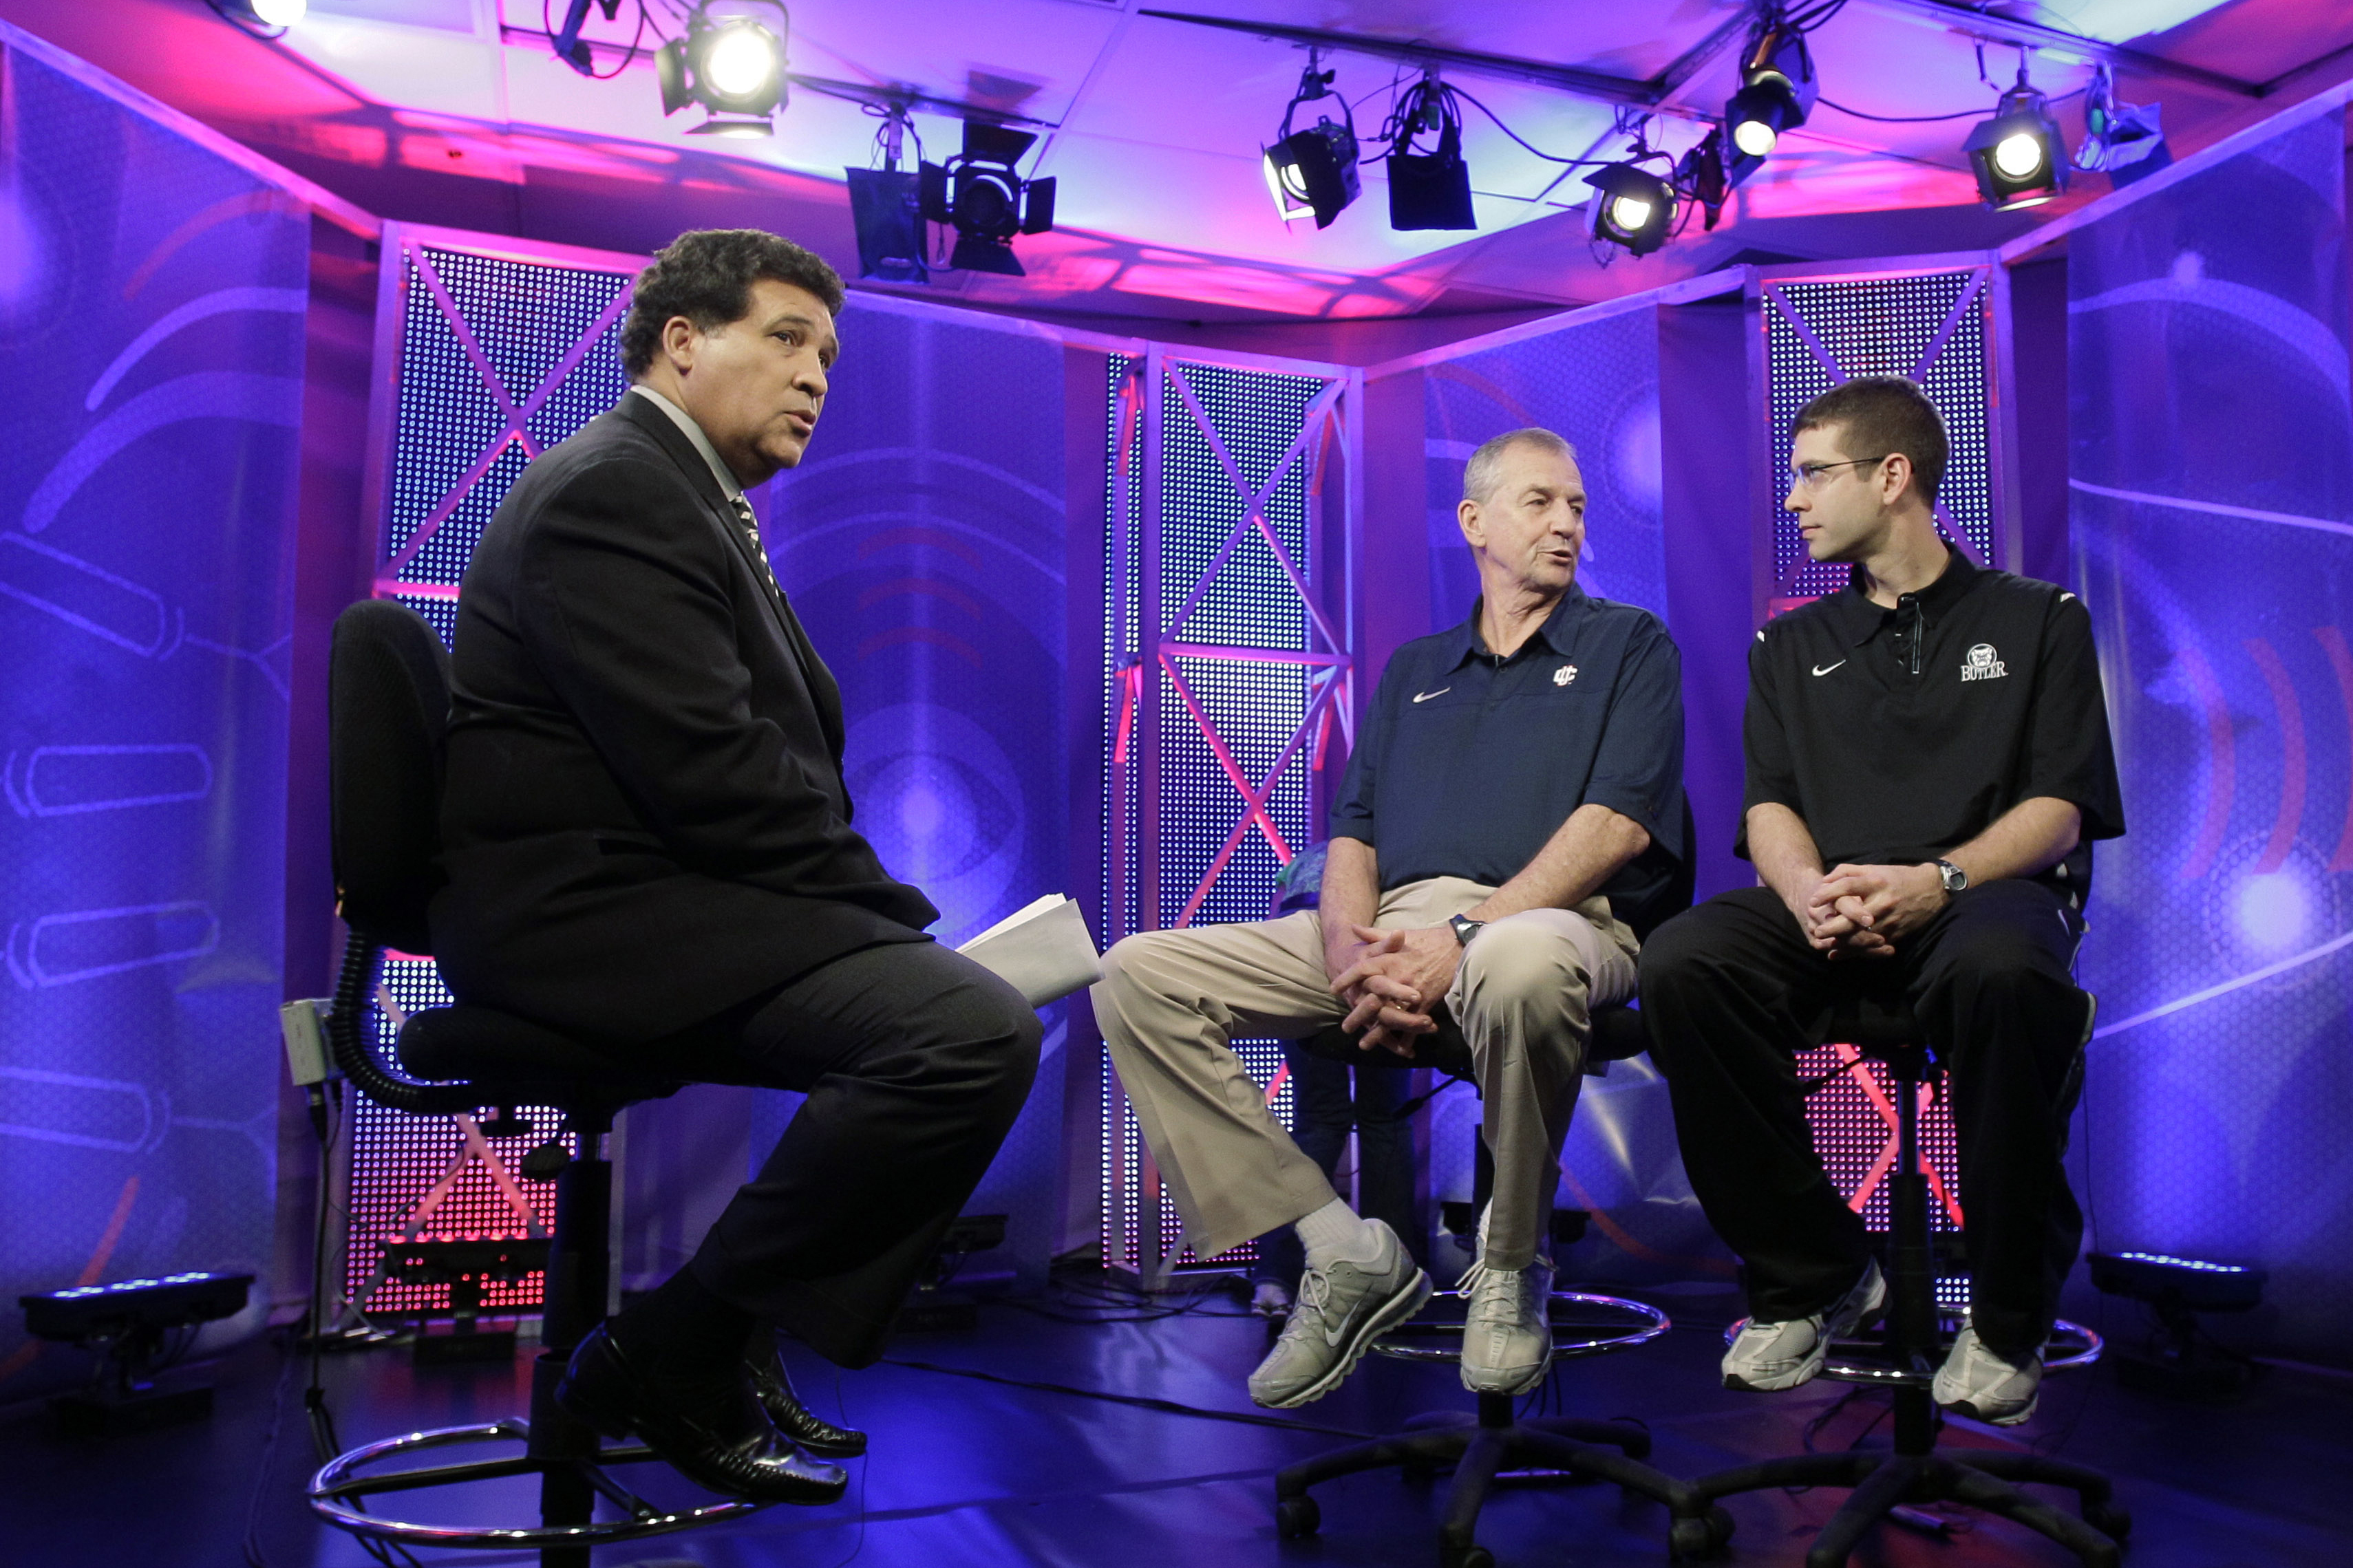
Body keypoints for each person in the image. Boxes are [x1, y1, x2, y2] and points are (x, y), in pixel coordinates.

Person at [432, 229, 1041, 1501]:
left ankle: (728, 1337)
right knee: (963, 1032)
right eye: (785, 339)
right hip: (587, 919)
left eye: (828, 354)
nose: (816, 376)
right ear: (683, 341)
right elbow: (710, 776)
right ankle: (675, 1351)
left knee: (960, 1018)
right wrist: (889, 916)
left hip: (654, 899)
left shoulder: (687, 496)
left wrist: (877, 924)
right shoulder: (617, 492)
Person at [1094, 429, 1687, 1408]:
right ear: (1475, 523)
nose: (1567, 523)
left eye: (1577, 506)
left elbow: (1618, 825)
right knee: (1137, 973)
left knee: (1523, 959)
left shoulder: (1629, 644)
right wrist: (1349, 962)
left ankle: (1508, 1267)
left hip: (1559, 922)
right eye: (1540, 502)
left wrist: (1456, 942)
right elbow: (1353, 839)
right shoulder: (1416, 670)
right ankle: (1337, 1245)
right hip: (1388, 928)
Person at [1639, 374, 2124, 1427]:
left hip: (1979, 898)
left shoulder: (2041, 621)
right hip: (1833, 903)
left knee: (2004, 975)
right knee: (1683, 962)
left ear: (1892, 476)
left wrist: (1938, 879)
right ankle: (1811, 1274)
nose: (1796, 500)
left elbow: (2061, 810)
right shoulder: (1789, 645)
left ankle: (2005, 1316)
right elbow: (1768, 806)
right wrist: (1811, 893)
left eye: (1816, 474)